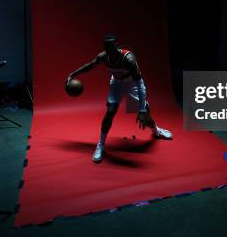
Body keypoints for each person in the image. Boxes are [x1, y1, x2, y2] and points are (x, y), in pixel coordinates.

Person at [67, 34, 173, 163]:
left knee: (145, 117)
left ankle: (156, 130)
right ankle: (100, 145)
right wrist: (72, 74)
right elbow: (90, 65)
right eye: (106, 47)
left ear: (116, 46)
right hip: (116, 83)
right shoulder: (104, 57)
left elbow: (140, 84)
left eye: (111, 46)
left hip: (132, 84)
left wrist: (142, 109)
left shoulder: (128, 59)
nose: (108, 49)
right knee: (110, 111)